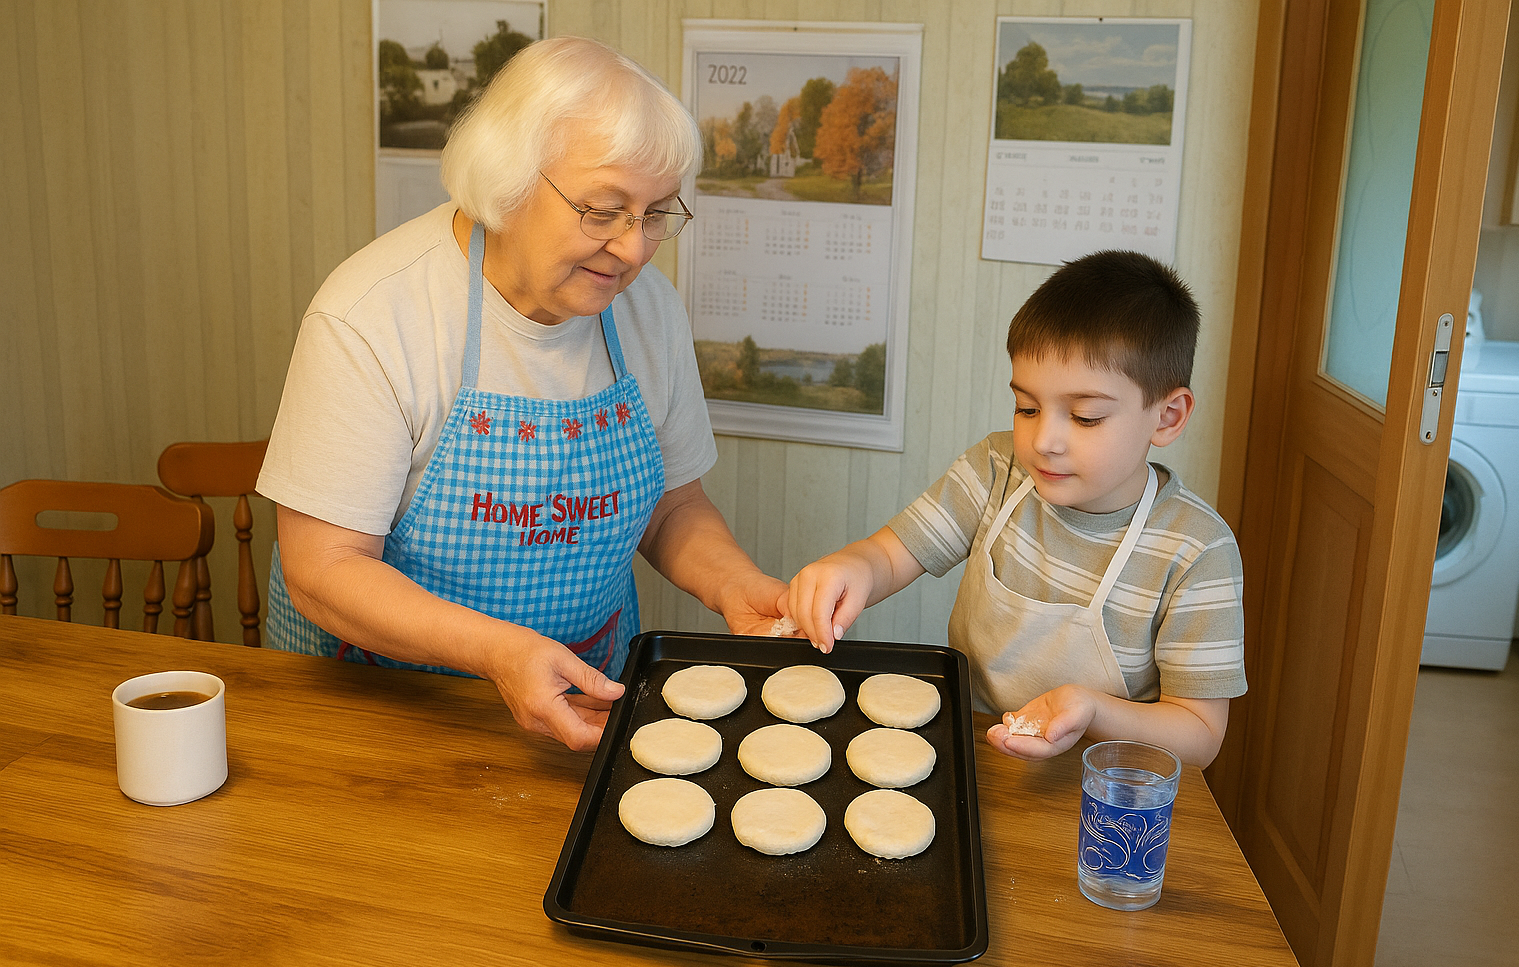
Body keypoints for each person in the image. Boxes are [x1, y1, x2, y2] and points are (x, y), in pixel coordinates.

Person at [256, 37, 785, 752]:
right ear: (506, 183)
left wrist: (735, 586)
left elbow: (673, 505)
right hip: (382, 709)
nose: (633, 250)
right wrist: (500, 653)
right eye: (603, 210)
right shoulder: (373, 316)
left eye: (656, 213)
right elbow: (324, 568)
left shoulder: (647, 311)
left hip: (580, 700)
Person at [782, 250, 1246, 768]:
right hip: (975, 753)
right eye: (1027, 407)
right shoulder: (998, 470)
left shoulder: (1195, 549)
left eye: (1086, 417)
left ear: (1167, 416)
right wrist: (853, 568)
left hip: (1104, 793)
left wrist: (1093, 712)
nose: (1044, 440)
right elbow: (891, 555)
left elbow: (1200, 733)